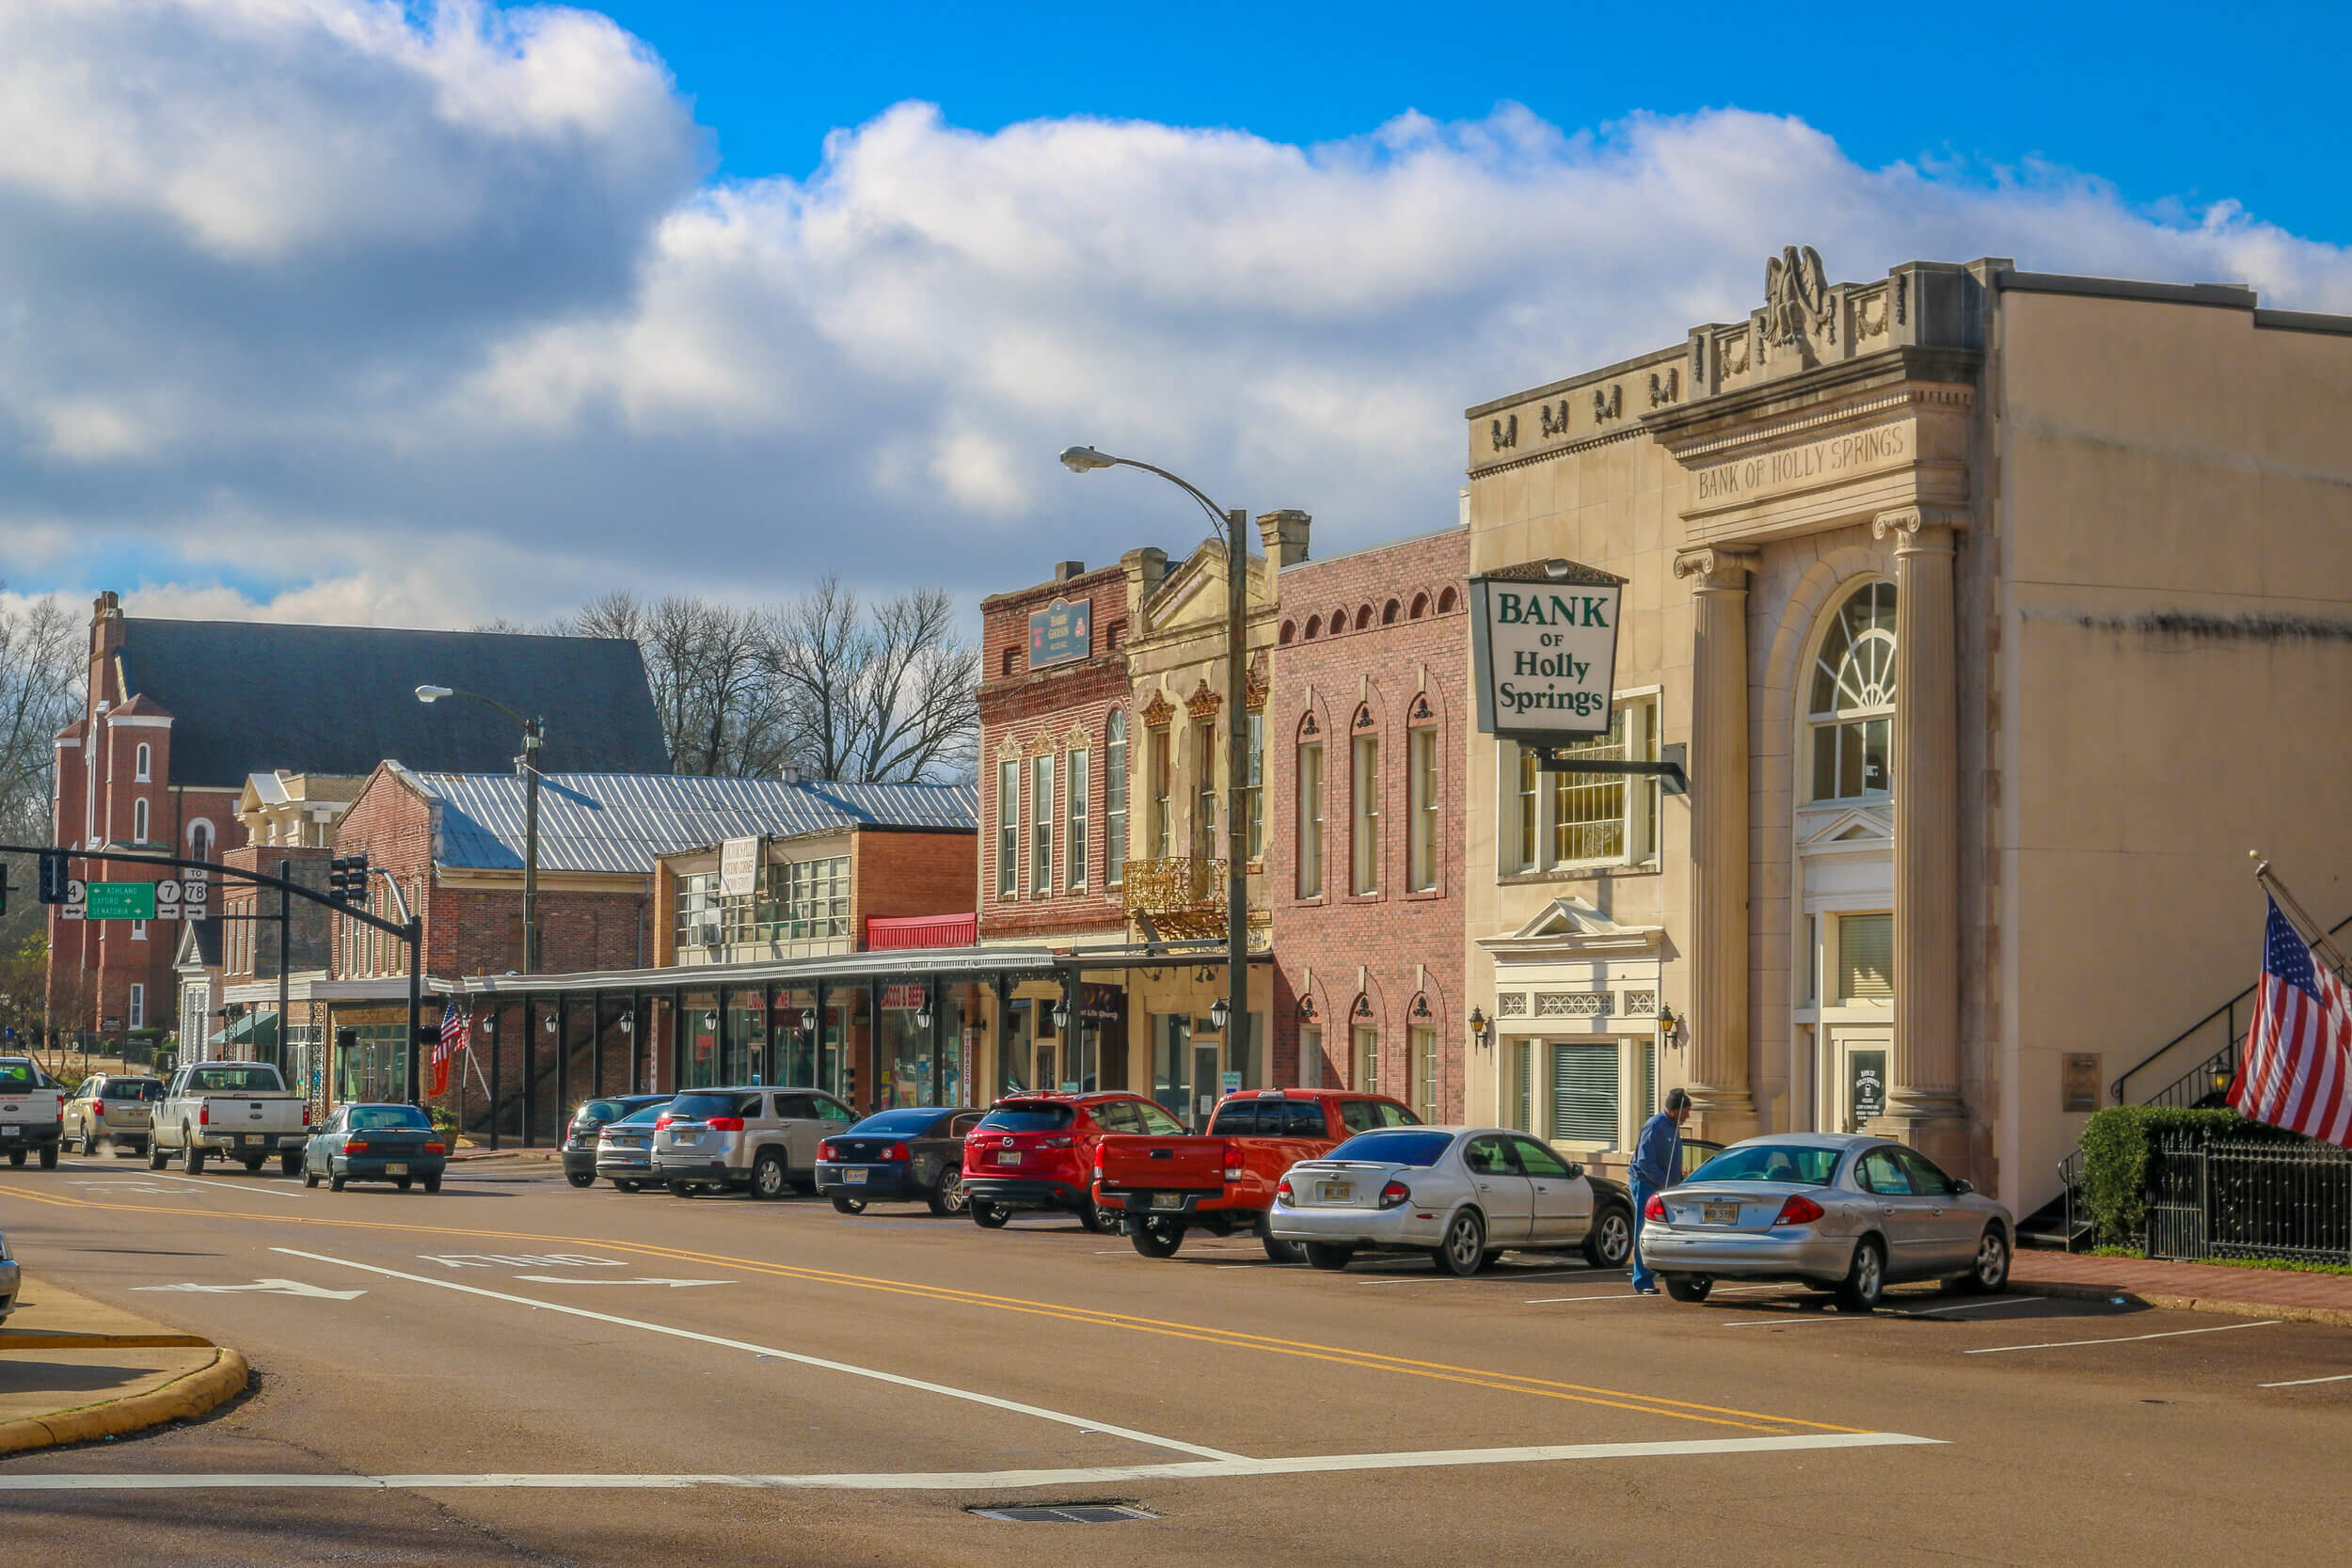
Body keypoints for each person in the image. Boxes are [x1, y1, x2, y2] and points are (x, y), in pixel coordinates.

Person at [1627, 1087, 1691, 1294]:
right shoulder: (1654, 1127)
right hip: (1645, 1183)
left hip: (1664, 1185)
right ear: (1675, 1110)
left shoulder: (1674, 1126)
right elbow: (1645, 1162)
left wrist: (1678, 1177)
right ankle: (1642, 1280)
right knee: (1644, 1228)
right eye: (1686, 1111)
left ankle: (1663, 1268)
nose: (1688, 1116)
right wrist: (1666, 1182)